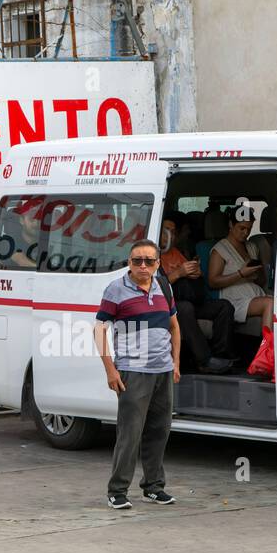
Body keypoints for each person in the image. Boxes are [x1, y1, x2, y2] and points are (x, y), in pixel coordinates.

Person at [95, 240, 182, 510]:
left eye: (148, 261)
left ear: (158, 264)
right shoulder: (116, 290)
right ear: (129, 262)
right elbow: (100, 330)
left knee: (159, 431)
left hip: (162, 371)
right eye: (136, 261)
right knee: (130, 434)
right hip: (133, 372)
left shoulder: (164, 287)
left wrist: (175, 362)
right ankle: (117, 491)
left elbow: (174, 326)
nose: (142, 266)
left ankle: (153, 487)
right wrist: (111, 370)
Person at [159, 210, 235, 373]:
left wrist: (196, 273)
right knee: (185, 308)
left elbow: (192, 282)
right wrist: (178, 273)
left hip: (188, 298)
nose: (169, 235)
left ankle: (220, 355)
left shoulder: (176, 253)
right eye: (166, 231)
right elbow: (154, 287)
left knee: (224, 306)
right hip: (163, 303)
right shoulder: (151, 254)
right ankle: (204, 360)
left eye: (173, 232)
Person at [207, 206, 275, 375]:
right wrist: (240, 274)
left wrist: (256, 273)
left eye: (249, 229)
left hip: (254, 292)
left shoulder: (252, 247)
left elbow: (261, 280)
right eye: (241, 228)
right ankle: (266, 355)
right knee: (270, 303)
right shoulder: (220, 249)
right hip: (234, 299)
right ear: (231, 225)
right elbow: (213, 281)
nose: (245, 233)